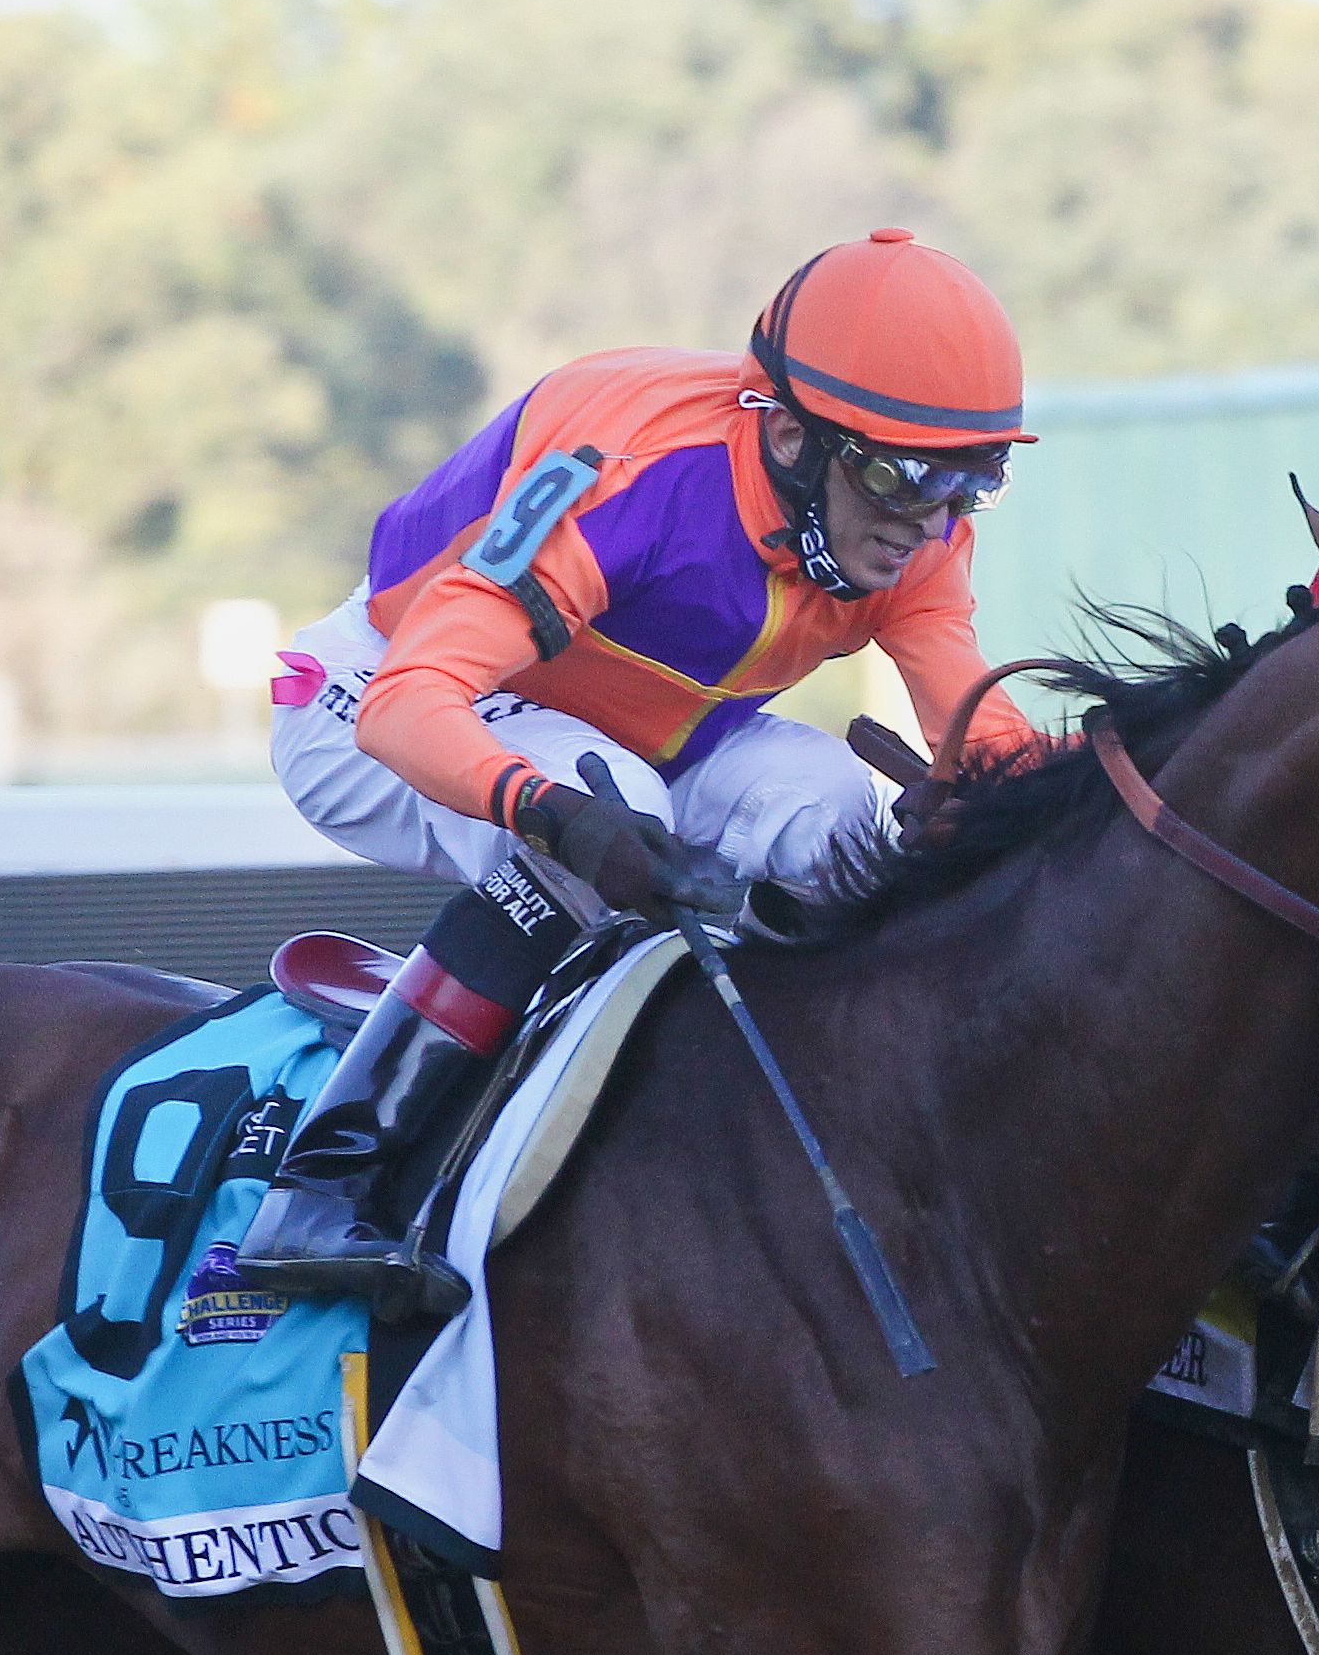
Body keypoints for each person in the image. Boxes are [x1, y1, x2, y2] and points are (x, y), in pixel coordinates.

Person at [242, 228, 1039, 1317]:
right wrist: (553, 814)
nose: (929, 523)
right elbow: (405, 705)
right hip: (374, 693)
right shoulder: (632, 474)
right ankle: (330, 1183)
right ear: (794, 437)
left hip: (639, 737)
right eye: (899, 475)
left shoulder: (918, 535)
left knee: (845, 816)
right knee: (611, 794)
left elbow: (986, 739)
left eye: (968, 483)